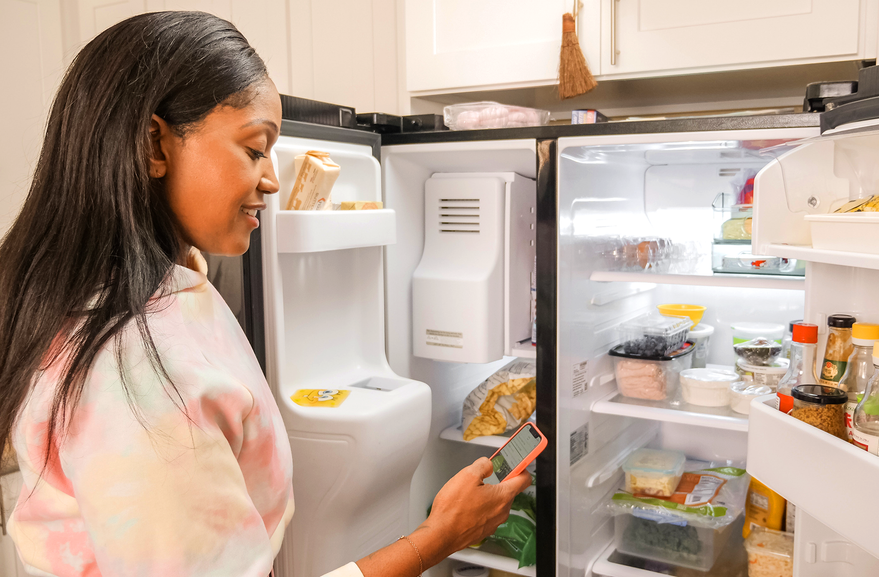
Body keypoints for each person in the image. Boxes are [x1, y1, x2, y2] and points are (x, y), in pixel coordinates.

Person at [0, 11, 532, 577]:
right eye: (255, 149)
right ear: (154, 145)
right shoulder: (139, 376)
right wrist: (438, 537)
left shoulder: (164, 286)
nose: (273, 180)